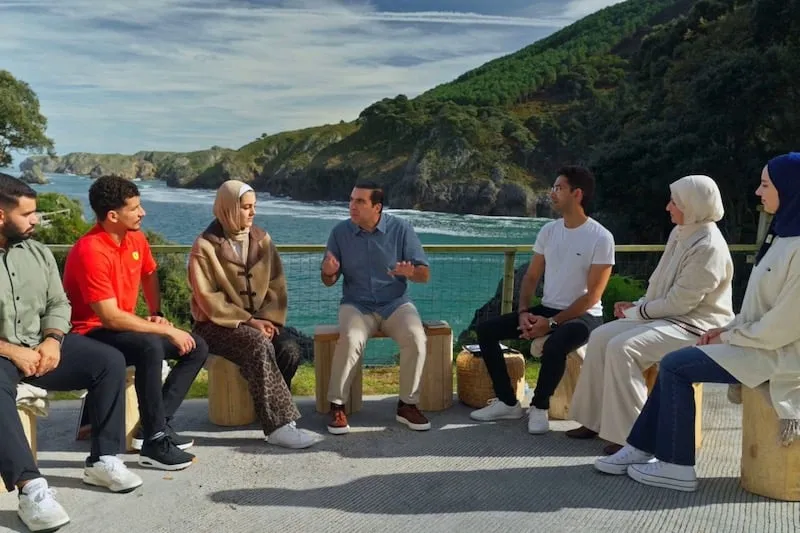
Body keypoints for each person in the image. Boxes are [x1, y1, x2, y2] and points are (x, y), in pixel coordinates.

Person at [594, 152, 800, 492]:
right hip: (760, 344)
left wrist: (731, 337)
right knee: (676, 363)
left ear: (790, 188)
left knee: (676, 366)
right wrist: (727, 330)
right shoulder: (781, 237)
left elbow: (784, 325)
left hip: (780, 354)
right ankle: (641, 447)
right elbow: (761, 308)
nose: (757, 192)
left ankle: (677, 466)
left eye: (765, 185)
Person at [0, 173, 142, 533]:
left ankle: (103, 459)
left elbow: (58, 303)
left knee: (108, 361)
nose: (35, 219)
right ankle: (30, 488)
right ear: (1, 215)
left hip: (40, 346)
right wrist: (12, 351)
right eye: (26, 214)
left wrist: (52, 339)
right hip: (2, 355)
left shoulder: (38, 252)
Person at [568, 175, 734, 455]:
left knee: (624, 348)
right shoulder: (682, 232)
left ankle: (634, 436)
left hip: (697, 327)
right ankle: (594, 420)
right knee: (600, 336)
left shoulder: (709, 247)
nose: (668, 207)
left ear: (692, 206)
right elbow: (660, 284)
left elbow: (680, 303)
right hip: (668, 318)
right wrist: (637, 306)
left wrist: (637, 312)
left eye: (674, 202)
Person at [62, 176, 208, 471]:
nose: (143, 213)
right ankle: (154, 442)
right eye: (135, 208)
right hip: (89, 332)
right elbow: (109, 317)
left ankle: (156, 425)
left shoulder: (136, 239)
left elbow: (149, 273)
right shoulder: (90, 250)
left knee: (197, 346)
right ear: (113, 216)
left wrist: (156, 311)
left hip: (121, 327)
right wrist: (166, 329)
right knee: (149, 346)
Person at [470, 166, 615, 434]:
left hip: (584, 316)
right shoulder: (549, 231)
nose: (552, 193)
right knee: (487, 330)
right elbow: (531, 277)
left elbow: (592, 296)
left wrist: (551, 324)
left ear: (577, 194)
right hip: (548, 308)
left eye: (559, 188)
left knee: (555, 344)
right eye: (553, 187)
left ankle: (539, 406)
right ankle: (508, 402)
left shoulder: (601, 237)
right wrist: (524, 312)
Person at [189, 180, 323, 448]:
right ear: (228, 208)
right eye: (246, 207)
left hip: (260, 320)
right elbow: (208, 298)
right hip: (214, 325)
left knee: (290, 349)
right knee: (258, 343)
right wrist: (249, 321)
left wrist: (268, 319)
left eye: (254, 206)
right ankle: (278, 427)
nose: (253, 213)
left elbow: (276, 285)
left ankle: (270, 410)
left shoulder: (263, 240)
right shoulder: (204, 246)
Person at [321, 181, 431, 435]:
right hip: (357, 304)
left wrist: (410, 272)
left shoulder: (402, 229)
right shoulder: (339, 232)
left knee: (416, 337)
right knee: (351, 338)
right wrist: (328, 272)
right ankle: (336, 406)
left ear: (377, 207)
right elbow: (328, 280)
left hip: (395, 303)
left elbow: (424, 274)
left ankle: (407, 405)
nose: (352, 206)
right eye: (351, 200)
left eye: (360, 201)